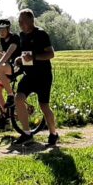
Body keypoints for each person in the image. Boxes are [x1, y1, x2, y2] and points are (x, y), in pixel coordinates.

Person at [13, 8, 59, 146]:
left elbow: (51, 54)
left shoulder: (41, 34)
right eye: (19, 21)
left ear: (31, 20)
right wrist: (19, 60)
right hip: (29, 75)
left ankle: (53, 134)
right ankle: (27, 133)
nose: (20, 24)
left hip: (43, 76)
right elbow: (25, 55)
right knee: (18, 99)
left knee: (44, 106)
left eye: (22, 21)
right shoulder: (22, 35)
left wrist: (34, 57)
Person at [0, 18, 20, 129]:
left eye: (3, 29)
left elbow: (9, 53)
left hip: (18, 65)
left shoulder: (14, 38)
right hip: (9, 66)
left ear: (8, 29)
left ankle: (11, 95)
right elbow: (5, 57)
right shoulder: (2, 40)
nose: (0, 32)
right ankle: (5, 118)